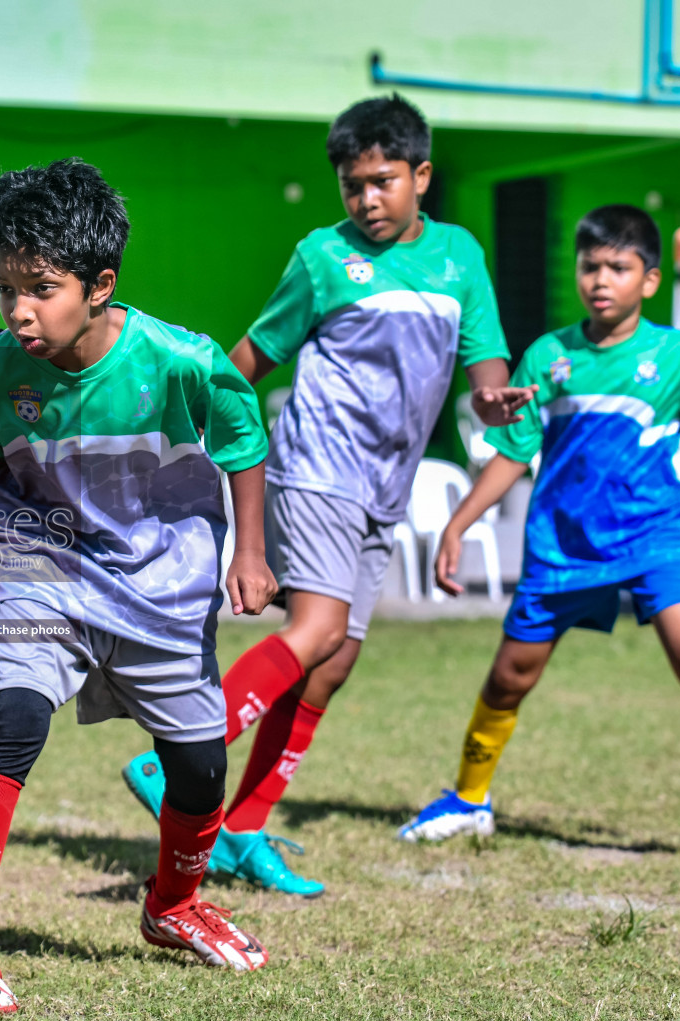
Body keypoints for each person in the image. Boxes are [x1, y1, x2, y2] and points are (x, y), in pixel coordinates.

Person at [0, 158, 277, 1013]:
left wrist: (252, 550)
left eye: (42, 288)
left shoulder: (181, 361)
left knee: (201, 772)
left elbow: (243, 442)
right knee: (13, 718)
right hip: (43, 565)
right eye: (4, 290)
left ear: (101, 285)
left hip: (162, 580)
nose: (20, 310)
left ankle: (172, 906)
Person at [120, 94, 534, 896]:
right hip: (315, 466)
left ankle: (240, 829)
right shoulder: (321, 257)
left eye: (382, 181)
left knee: (331, 664)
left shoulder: (461, 258)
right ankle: (170, 758)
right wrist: (178, 434)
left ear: (421, 176)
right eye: (353, 186)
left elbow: (486, 376)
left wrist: (494, 403)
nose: (367, 199)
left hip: (387, 484)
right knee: (318, 630)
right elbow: (250, 353)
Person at [400, 205, 680, 841]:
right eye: (591, 266)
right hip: (561, 547)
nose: (602, 279)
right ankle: (468, 799)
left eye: (619, 268)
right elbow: (515, 450)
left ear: (649, 280)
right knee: (511, 675)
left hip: (654, 538)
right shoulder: (548, 356)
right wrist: (459, 525)